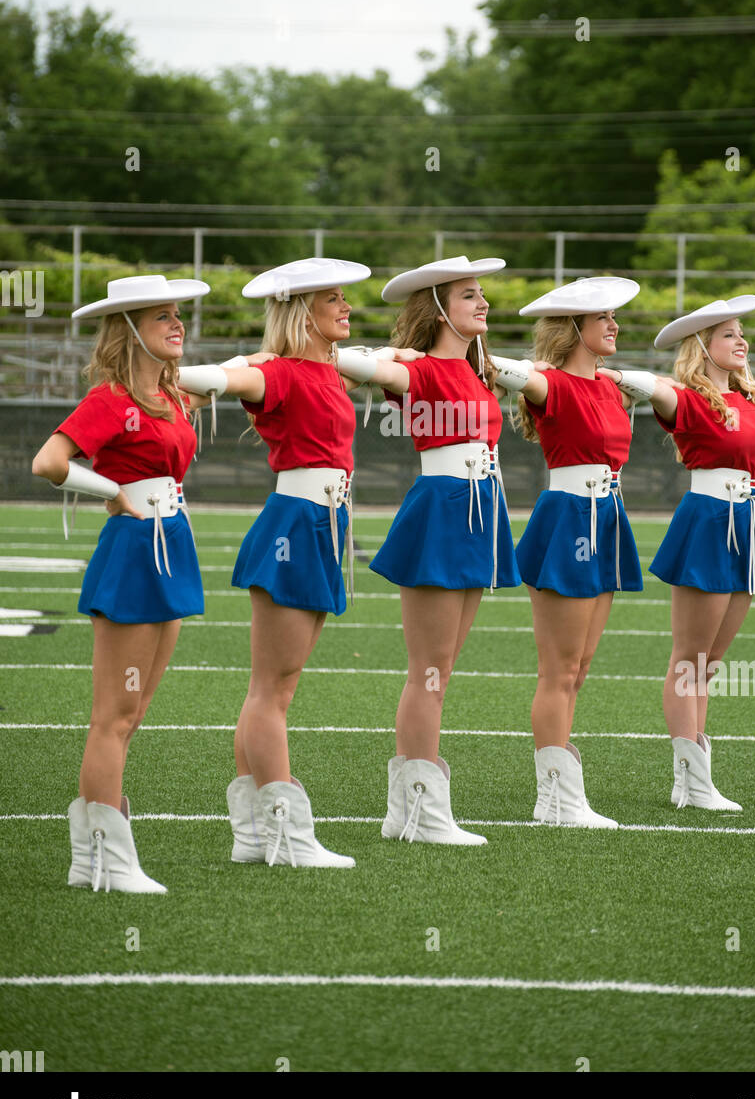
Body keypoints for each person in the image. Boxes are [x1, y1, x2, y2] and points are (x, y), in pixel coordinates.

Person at [177, 257, 373, 870]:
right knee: (273, 691)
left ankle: (253, 832)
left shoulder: (328, 368)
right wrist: (206, 373)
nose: (345, 306)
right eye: (333, 299)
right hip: (294, 524)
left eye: (345, 298)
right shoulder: (276, 370)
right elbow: (217, 378)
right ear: (300, 311)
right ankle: (287, 834)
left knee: (273, 689)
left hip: (325, 523)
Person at [31, 273, 210, 893]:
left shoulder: (175, 396)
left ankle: (95, 857)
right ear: (130, 329)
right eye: (162, 317)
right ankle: (105, 857)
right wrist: (114, 494)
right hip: (135, 551)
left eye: (177, 314)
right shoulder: (109, 400)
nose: (177, 324)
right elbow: (49, 462)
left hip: (173, 545)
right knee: (114, 714)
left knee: (133, 713)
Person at [337, 256, 521, 846]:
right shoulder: (419, 371)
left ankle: (409, 811)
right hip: (443, 509)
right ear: (440, 308)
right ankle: (421, 810)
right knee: (430, 670)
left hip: (480, 509)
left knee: (444, 669)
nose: (484, 303)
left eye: (482, 294)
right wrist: (395, 356)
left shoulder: (477, 371)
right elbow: (349, 363)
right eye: (470, 296)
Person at [489, 277, 648, 828]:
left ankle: (562, 793)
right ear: (573, 328)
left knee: (579, 668)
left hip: (607, 517)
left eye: (613, 317)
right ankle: (554, 798)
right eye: (602, 317)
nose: (614, 325)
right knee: (558, 669)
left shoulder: (609, 384)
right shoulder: (548, 383)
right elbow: (494, 366)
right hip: (567, 518)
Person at [648, 295, 755, 811]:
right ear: (702, 346)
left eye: (741, 332)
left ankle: (696, 778)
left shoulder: (748, 400)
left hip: (748, 525)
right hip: (708, 524)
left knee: (712, 663)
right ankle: (692, 781)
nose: (741, 341)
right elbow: (651, 386)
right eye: (728, 334)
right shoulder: (687, 398)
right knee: (689, 659)